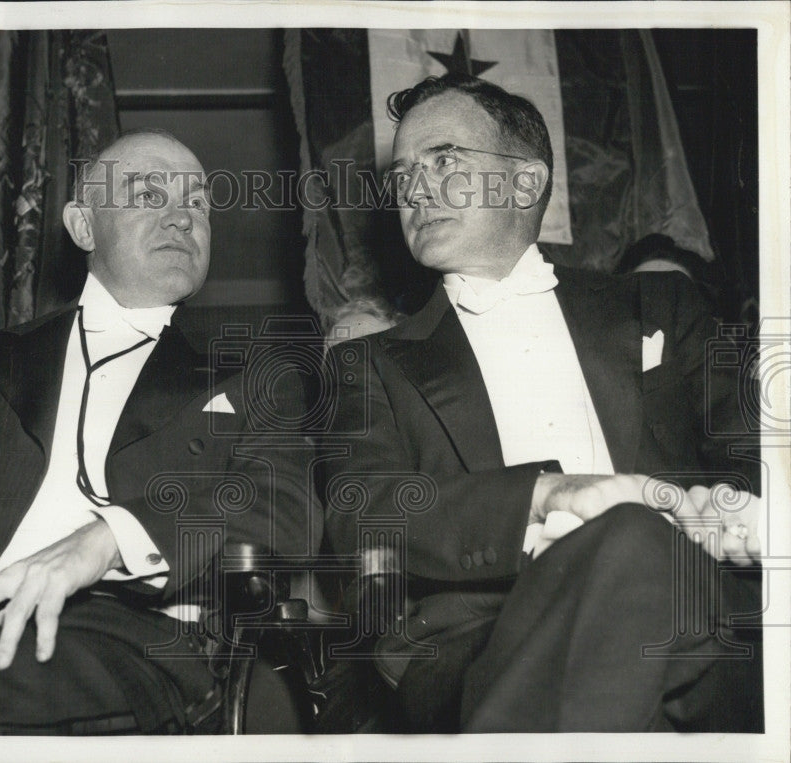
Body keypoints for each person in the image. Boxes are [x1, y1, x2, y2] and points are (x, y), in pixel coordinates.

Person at [0, 130, 312, 734]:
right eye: (148, 193)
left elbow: (282, 512)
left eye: (197, 201)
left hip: (125, 641)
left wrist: (108, 539)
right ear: (83, 226)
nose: (182, 218)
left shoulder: (252, 379)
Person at [321, 74, 762, 733]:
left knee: (647, 548)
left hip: (704, 621)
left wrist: (737, 516)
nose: (414, 189)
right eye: (403, 174)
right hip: (486, 643)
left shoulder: (663, 308)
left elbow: (755, 457)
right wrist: (551, 494)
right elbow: (364, 513)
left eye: (443, 159)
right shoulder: (367, 364)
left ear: (526, 184)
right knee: (632, 537)